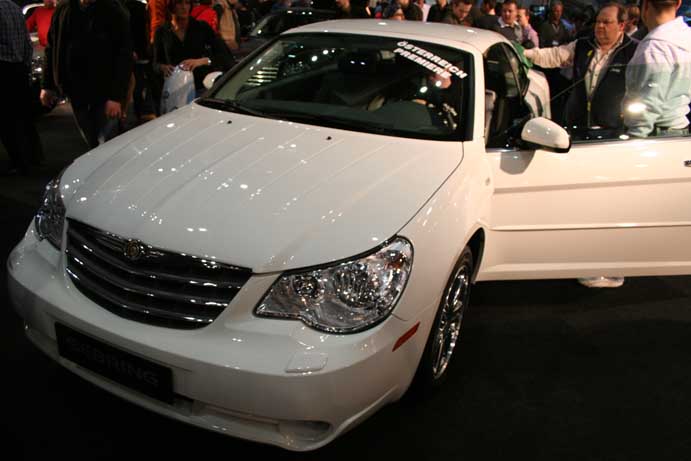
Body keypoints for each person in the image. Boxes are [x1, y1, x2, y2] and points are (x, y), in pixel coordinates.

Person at [524, 3, 637, 130]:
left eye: (606, 22)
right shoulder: (582, 45)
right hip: (578, 124)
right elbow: (555, 55)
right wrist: (525, 54)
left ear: (621, 25)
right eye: (598, 21)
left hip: (613, 127)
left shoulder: (634, 51)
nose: (600, 26)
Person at [41, 0, 133, 149]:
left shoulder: (114, 11)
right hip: (75, 89)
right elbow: (52, 47)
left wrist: (116, 97)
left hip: (105, 91)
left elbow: (124, 56)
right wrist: (48, 85)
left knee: (108, 143)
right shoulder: (64, 9)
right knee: (91, 142)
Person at [623, 0, 691, 138]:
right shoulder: (686, 38)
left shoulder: (654, 48)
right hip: (679, 129)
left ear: (646, 5)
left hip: (654, 134)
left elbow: (648, 101)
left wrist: (635, 136)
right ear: (678, 3)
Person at [154, 0, 234, 95]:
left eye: (187, 3)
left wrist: (202, 61)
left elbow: (224, 55)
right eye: (179, 3)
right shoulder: (162, 32)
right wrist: (162, 67)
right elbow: (155, 63)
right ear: (172, 6)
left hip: (201, 86)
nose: (184, 7)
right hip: (175, 88)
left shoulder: (201, 27)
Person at [1, 0, 42, 175]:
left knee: (6, 120)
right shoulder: (13, 7)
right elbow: (27, 41)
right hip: (19, 68)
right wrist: (25, 65)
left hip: (3, 68)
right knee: (24, 116)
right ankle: (35, 156)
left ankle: (19, 162)